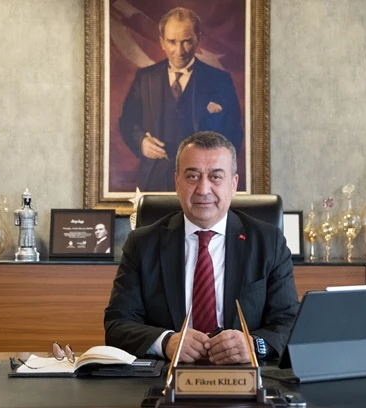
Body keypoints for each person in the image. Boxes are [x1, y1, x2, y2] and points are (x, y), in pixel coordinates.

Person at [104, 131, 298, 364]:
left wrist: (255, 345)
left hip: (243, 375)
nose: (203, 189)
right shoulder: (142, 244)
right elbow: (117, 325)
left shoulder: (269, 242)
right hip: (167, 376)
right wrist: (166, 342)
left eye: (216, 177)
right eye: (192, 176)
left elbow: (289, 321)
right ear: (177, 182)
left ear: (233, 184)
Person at [119, 7, 243, 192]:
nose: (179, 50)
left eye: (187, 42)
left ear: (198, 40)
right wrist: (141, 143)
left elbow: (234, 134)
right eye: (172, 42)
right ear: (162, 42)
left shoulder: (220, 81)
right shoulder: (144, 78)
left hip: (203, 185)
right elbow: (127, 122)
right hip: (153, 182)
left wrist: (212, 171)